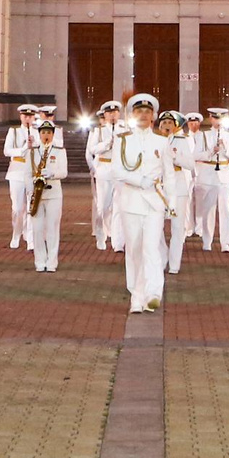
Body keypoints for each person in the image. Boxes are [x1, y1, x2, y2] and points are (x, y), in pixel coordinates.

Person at [115, 93, 172, 313]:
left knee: (152, 248)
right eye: (139, 112)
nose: (143, 116)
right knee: (135, 250)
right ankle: (136, 297)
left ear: (154, 117)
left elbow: (170, 174)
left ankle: (153, 293)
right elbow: (116, 170)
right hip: (131, 199)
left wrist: (171, 202)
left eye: (147, 112)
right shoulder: (123, 140)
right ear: (132, 114)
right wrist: (140, 180)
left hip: (154, 202)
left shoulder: (162, 141)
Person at [24, 109, 70, 272]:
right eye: (43, 132)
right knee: (37, 230)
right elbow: (27, 172)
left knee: (52, 228)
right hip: (37, 194)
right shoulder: (33, 150)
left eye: (49, 132)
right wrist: (31, 190)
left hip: (53, 194)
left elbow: (64, 172)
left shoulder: (59, 150)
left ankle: (51, 262)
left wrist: (53, 173)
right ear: (39, 133)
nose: (46, 135)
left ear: (53, 134)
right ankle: (39, 261)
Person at [194, 109, 229, 251]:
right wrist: (211, 151)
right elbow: (196, 155)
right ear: (210, 119)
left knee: (225, 209)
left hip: (224, 174)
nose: (218, 121)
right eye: (215, 118)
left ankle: (226, 242)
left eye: (220, 119)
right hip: (208, 175)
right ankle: (207, 240)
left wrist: (225, 149)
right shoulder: (203, 136)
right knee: (208, 209)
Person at [160, 112, 195, 271]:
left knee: (177, 227)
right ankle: (161, 259)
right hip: (159, 188)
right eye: (164, 122)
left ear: (176, 125)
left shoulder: (182, 141)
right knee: (156, 227)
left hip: (178, 186)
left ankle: (174, 264)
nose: (166, 125)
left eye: (169, 122)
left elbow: (190, 164)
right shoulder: (156, 140)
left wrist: (176, 158)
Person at [85, 101, 122, 251]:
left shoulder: (125, 129)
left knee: (118, 206)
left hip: (120, 169)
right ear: (105, 115)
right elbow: (92, 149)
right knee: (103, 206)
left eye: (115, 112)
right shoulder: (98, 131)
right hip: (104, 168)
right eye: (109, 113)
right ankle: (101, 236)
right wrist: (107, 144)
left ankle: (117, 240)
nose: (112, 115)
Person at [3, 100, 35, 248]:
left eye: (30, 116)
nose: (27, 119)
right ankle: (16, 235)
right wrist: (23, 148)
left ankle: (30, 236)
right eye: (25, 116)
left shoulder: (37, 131)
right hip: (16, 170)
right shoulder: (13, 131)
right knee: (17, 208)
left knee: (32, 206)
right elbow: (7, 151)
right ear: (21, 117)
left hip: (32, 171)